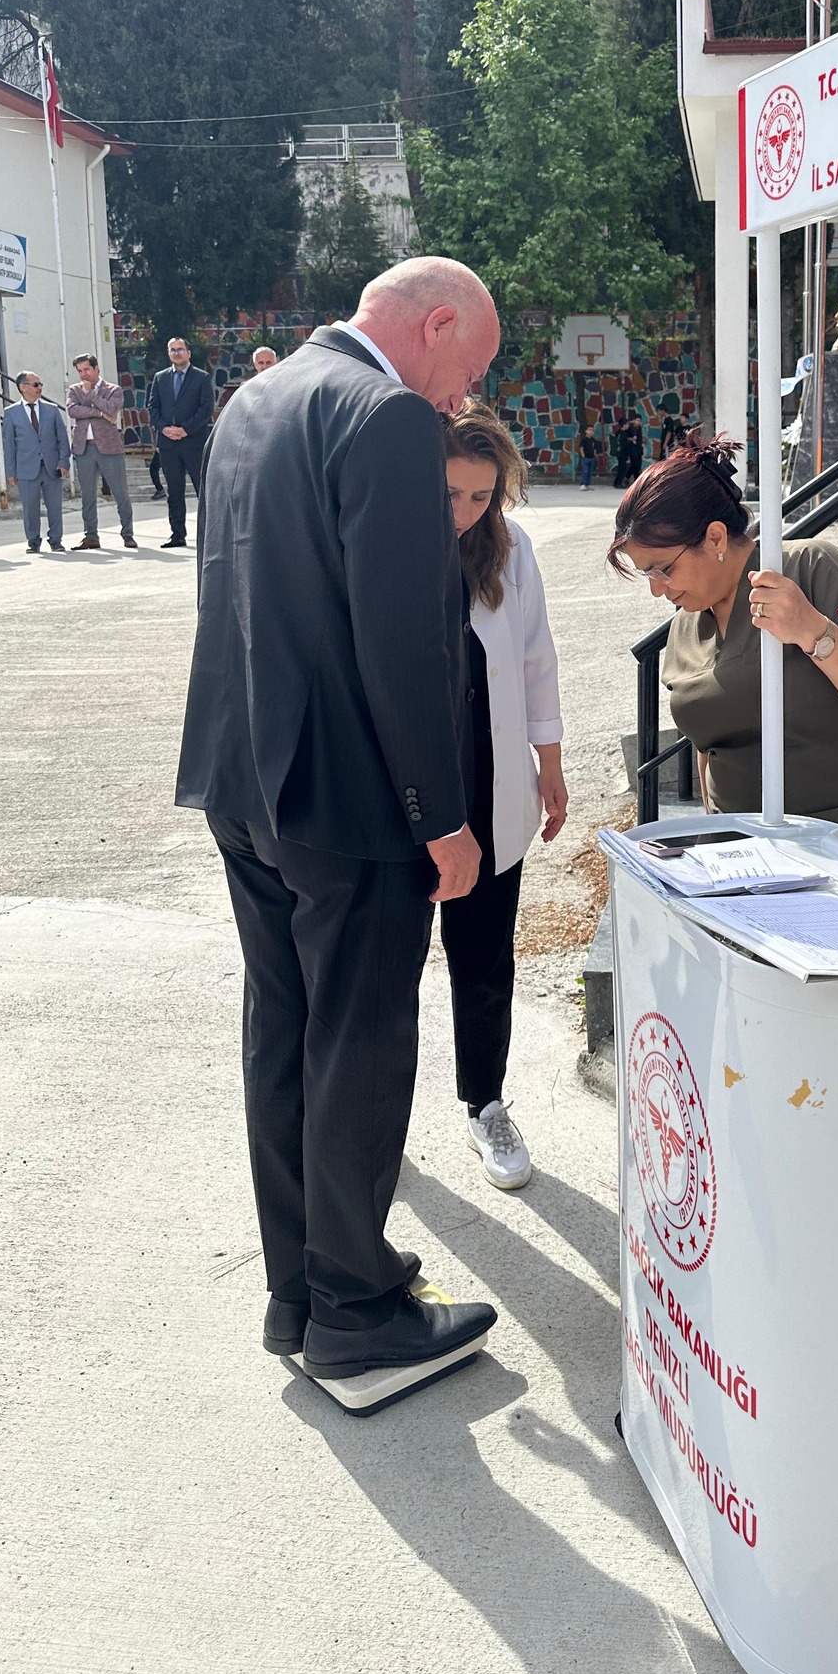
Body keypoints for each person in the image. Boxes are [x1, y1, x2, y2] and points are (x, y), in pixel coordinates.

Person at [175, 256, 502, 1388]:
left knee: (284, 1033)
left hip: (245, 778)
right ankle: (358, 1315)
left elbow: (233, 589)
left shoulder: (251, 401)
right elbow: (404, 641)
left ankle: (301, 1291)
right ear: (438, 322)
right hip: (350, 798)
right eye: (470, 368)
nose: (463, 397)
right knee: (359, 1045)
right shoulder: (388, 416)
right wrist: (443, 817)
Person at [609, 434, 838, 871]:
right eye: (648, 575)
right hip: (739, 857)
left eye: (663, 569)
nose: (657, 589)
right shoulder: (685, 624)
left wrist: (812, 630)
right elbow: (707, 748)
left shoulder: (807, 569)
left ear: (715, 538)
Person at [440, 400, 567, 1190]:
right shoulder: (389, 541)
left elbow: (535, 659)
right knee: (382, 967)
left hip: (491, 780)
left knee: (484, 956)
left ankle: (484, 1103)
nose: (465, 510)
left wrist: (549, 766)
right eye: (451, 493)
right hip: (407, 789)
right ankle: (368, 1119)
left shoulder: (510, 551)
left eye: (481, 495)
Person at [147, 336, 213, 547]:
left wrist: (185, 430)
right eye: (172, 350)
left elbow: (206, 409)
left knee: (202, 489)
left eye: (180, 349)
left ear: (188, 353)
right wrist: (164, 428)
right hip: (168, 444)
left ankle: (209, 535)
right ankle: (177, 534)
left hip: (193, 442)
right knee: (174, 492)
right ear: (168, 353)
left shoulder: (201, 378)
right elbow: (153, 407)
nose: (176, 353)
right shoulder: (160, 378)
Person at [67, 353, 136, 550]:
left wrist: (90, 395)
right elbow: (73, 411)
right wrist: (99, 413)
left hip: (109, 447)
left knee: (120, 493)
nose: (84, 374)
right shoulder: (74, 390)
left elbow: (111, 409)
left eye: (87, 369)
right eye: (80, 371)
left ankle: (128, 534)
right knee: (88, 495)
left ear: (96, 368)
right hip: (84, 448)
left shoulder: (113, 389)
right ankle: (91, 536)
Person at [2, 371, 71, 553]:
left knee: (55, 507)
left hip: (52, 467)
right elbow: (9, 445)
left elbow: (62, 439)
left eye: (40, 384)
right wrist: (11, 471)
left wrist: (64, 462)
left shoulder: (51, 410)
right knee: (30, 508)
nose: (39, 388)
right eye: (35, 385)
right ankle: (33, 541)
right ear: (23, 387)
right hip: (26, 468)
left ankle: (56, 540)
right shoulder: (11, 413)